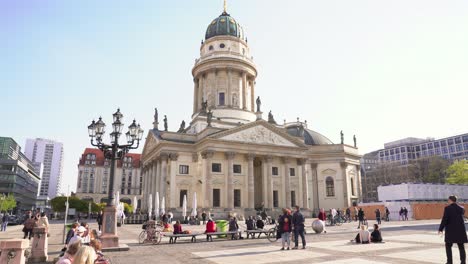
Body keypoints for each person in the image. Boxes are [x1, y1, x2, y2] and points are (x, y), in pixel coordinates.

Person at [438, 195, 467, 264]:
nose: (448, 201)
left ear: (450, 200)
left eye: (448, 200)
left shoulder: (448, 208)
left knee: (448, 246)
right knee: (461, 247)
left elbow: (445, 219)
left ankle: (449, 262)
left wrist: (440, 229)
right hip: (460, 231)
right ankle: (463, 262)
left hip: (451, 231)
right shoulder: (461, 208)